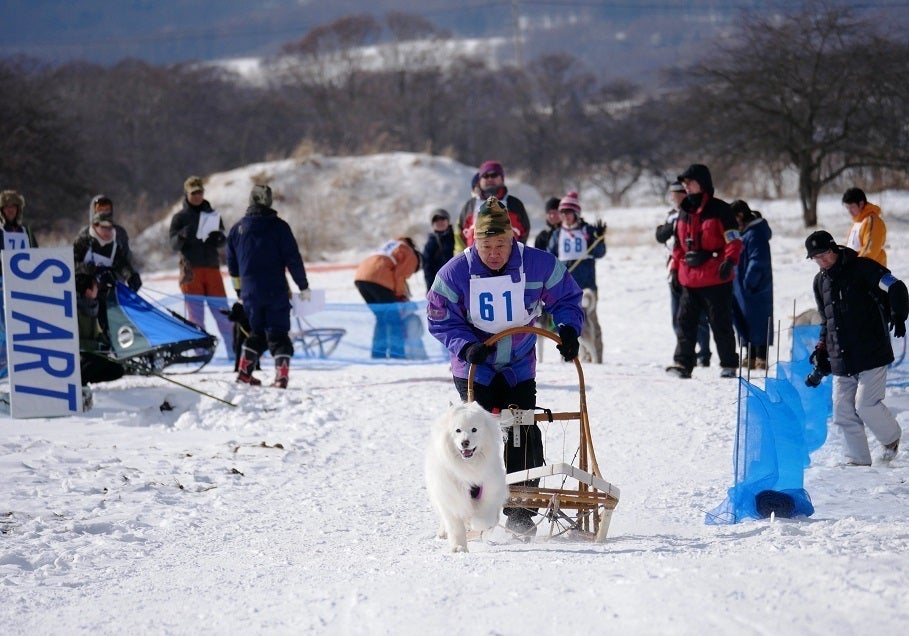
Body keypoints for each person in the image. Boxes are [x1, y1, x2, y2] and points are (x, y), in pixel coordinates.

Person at [427, 196, 584, 537]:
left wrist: (568, 329)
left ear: (513, 238)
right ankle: (469, 507)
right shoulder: (455, 272)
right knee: (473, 435)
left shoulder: (538, 264)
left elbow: (566, 297)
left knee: (521, 430)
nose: (495, 253)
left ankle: (521, 510)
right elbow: (439, 317)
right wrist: (465, 345)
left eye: (501, 244)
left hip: (518, 364)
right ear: (474, 242)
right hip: (475, 366)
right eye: (486, 246)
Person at [804, 230, 906, 465]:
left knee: (865, 405)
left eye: (825, 254)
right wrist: (821, 349)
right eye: (816, 258)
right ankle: (857, 462)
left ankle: (891, 439)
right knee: (842, 412)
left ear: (834, 248)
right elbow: (827, 321)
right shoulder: (820, 282)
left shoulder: (863, 268)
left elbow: (896, 286)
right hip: (842, 357)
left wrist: (899, 314)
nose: (822, 260)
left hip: (872, 351)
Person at [226, 184, 310, 388]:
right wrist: (303, 285)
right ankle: (281, 377)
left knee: (257, 333)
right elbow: (293, 259)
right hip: (275, 290)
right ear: (269, 202)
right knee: (278, 333)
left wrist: (239, 291)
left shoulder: (237, 230)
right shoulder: (279, 227)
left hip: (249, 292)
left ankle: (245, 373)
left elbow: (232, 266)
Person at [666, 164, 742, 379]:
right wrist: (675, 269)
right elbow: (678, 245)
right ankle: (682, 363)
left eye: (690, 182)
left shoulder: (721, 209)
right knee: (685, 322)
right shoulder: (684, 211)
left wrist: (730, 260)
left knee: (720, 323)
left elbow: (734, 240)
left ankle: (728, 364)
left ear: (703, 183)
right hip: (689, 279)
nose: (686, 186)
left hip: (716, 278)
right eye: (684, 183)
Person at [168, 176, 235, 360]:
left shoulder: (213, 214)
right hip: (191, 272)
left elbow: (223, 239)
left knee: (223, 313)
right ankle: (201, 353)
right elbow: (172, 245)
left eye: (200, 192)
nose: (197, 196)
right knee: (196, 316)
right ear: (187, 194)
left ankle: (233, 351)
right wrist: (181, 236)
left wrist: (219, 238)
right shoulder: (179, 218)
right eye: (194, 193)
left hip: (212, 269)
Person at [655, 181, 711, 367]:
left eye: (675, 194)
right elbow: (661, 236)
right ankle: (686, 351)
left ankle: (704, 352)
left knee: (698, 315)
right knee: (677, 315)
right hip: (673, 269)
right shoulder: (672, 216)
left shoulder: (696, 213)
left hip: (692, 271)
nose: (672, 198)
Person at [546, 191, 606, 363]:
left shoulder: (587, 231)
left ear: (576, 213)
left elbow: (599, 252)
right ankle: (570, 356)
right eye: (562, 212)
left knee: (590, 320)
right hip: (566, 287)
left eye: (568, 212)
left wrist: (598, 238)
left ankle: (596, 357)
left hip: (586, 285)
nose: (565, 216)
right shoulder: (557, 234)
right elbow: (550, 258)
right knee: (566, 320)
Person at [354, 237, 422, 359]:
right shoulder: (411, 255)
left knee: (381, 318)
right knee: (394, 319)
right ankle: (398, 354)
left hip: (361, 277)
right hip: (378, 278)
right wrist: (399, 296)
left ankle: (378, 354)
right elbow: (399, 276)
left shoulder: (393, 245)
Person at [729, 200, 774, 369]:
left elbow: (758, 261)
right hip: (739, 286)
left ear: (740, 215)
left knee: (758, 320)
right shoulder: (742, 233)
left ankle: (761, 356)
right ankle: (750, 355)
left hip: (754, 286)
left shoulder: (755, 234)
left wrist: (748, 282)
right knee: (743, 321)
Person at [0, 190, 39, 378]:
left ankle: (23, 366)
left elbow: (37, 257)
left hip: (23, 286)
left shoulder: (26, 232)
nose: (10, 210)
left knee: (22, 327)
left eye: (13, 207)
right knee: (3, 328)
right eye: (6, 207)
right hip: (2, 286)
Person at [454, 161, 531, 253]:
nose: (490, 179)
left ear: (502, 179)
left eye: (494, 175)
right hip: (474, 259)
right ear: (480, 180)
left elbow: (524, 232)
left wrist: (518, 254)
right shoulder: (470, 205)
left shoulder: (514, 204)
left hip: (509, 259)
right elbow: (459, 235)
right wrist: (461, 258)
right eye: (485, 176)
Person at [75, 272, 125, 410]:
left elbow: (97, 332)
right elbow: (74, 342)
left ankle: (84, 378)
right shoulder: (75, 310)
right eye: (95, 287)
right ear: (88, 291)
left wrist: (106, 344)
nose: (98, 289)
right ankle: (79, 381)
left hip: (91, 353)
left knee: (116, 370)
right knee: (99, 361)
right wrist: (97, 346)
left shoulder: (93, 306)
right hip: (80, 355)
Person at [73, 194, 142, 292]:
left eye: (107, 210)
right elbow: (71, 263)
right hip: (85, 289)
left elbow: (122, 262)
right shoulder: (84, 238)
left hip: (110, 287)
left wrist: (130, 275)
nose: (104, 213)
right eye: (100, 210)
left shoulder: (117, 236)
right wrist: (89, 269)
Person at [842, 187, 887, 266]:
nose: (849, 211)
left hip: (871, 269)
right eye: (847, 208)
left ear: (861, 204)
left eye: (852, 207)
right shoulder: (857, 222)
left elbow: (871, 249)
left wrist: (856, 266)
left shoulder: (872, 220)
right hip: (857, 270)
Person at [422, 209, 454, 291]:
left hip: (459, 282)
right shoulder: (430, 243)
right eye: (436, 220)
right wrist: (430, 290)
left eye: (442, 219)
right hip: (441, 285)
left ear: (448, 220)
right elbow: (428, 269)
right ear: (432, 224)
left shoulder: (457, 237)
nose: (440, 222)